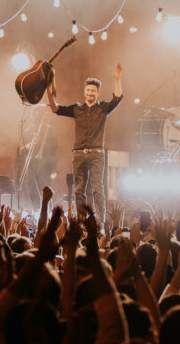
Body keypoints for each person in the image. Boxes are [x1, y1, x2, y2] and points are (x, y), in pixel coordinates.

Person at [47, 63, 123, 224]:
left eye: (93, 90)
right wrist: (49, 90)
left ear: (97, 93)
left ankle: (100, 223)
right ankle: (81, 223)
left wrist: (117, 79)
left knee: (97, 189)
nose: (90, 92)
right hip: (79, 153)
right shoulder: (76, 108)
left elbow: (117, 98)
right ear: (84, 91)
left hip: (96, 154)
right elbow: (56, 109)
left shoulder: (103, 108)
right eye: (88, 90)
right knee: (79, 190)